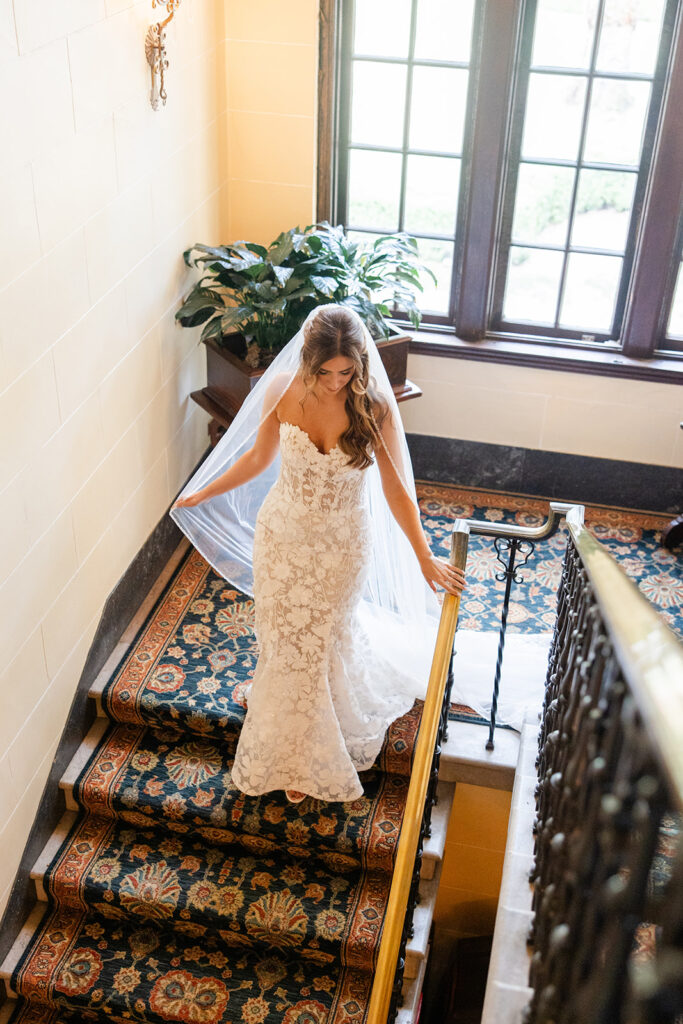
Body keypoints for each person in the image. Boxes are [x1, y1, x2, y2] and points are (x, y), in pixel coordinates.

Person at [171, 304, 465, 803]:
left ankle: (306, 752)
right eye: (324, 372)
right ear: (306, 361)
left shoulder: (374, 405)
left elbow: (396, 491)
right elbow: (258, 458)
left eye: (345, 371)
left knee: (324, 634)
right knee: (284, 631)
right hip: (282, 535)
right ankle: (283, 713)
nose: (334, 382)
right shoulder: (281, 388)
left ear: (359, 365)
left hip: (342, 544)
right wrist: (205, 490)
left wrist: (422, 555)